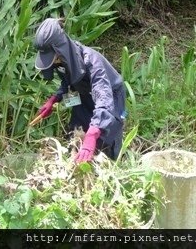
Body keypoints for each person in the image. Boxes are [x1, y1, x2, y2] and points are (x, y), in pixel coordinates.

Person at [33, 18, 126, 163]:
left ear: (61, 49)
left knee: (105, 134)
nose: (55, 62)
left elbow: (103, 98)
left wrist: (94, 132)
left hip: (110, 95)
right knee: (79, 129)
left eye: (54, 58)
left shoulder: (92, 62)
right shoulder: (64, 60)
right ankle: (79, 162)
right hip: (83, 93)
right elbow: (68, 80)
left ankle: (111, 165)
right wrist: (54, 99)